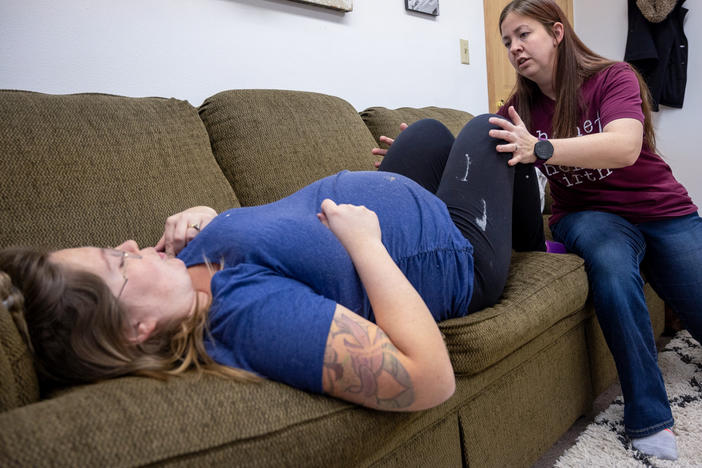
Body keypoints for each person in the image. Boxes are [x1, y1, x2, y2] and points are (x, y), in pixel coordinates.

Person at [0, 114, 545, 412]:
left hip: (414, 212)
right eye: (116, 266)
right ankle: (532, 247)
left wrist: (206, 217)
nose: (128, 247)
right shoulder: (247, 319)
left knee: (425, 133)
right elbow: (430, 380)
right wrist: (366, 245)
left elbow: (268, 243)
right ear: (138, 330)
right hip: (458, 254)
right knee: (491, 130)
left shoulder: (177, 273)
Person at [491, 0, 700, 461]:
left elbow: (625, 146)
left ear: (557, 32)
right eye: (507, 41)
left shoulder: (613, 77)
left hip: (660, 207)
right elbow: (482, 158)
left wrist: (541, 147)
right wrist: (423, 161)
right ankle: (649, 416)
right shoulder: (518, 109)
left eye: (524, 33)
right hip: (588, 214)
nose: (514, 47)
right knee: (608, 263)